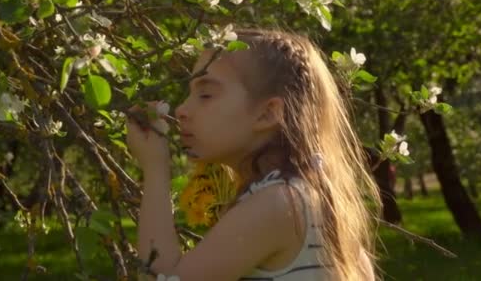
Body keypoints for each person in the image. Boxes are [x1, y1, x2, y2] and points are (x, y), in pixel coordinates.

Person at [126, 28, 380, 281]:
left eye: (205, 95)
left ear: (267, 114)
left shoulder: (278, 204)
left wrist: (155, 169)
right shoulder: (319, 203)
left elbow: (160, 276)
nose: (182, 109)